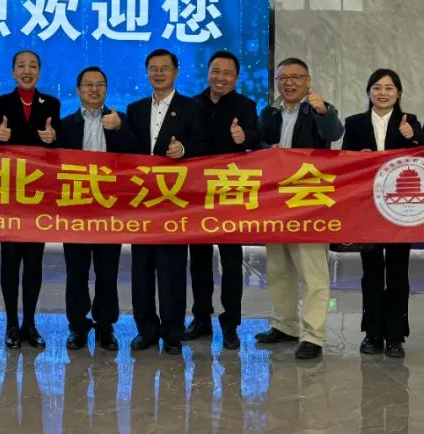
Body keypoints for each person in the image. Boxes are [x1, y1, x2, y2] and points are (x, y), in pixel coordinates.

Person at [255, 57, 344, 360]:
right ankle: (285, 325)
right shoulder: (269, 113)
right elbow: (259, 145)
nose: (289, 83)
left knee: (312, 271)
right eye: (283, 78)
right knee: (278, 268)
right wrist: (267, 150)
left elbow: (333, 133)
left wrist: (323, 111)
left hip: (308, 201)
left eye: (295, 77)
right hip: (275, 203)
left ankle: (314, 335)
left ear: (308, 81)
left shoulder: (319, 109)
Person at [342, 68, 424, 358]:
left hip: (399, 208)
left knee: (397, 271)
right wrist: (358, 158)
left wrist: (413, 136)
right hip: (367, 207)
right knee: (370, 272)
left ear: (398, 93)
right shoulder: (354, 123)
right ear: (369, 92)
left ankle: (395, 336)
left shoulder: (409, 121)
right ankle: (372, 333)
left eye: (389, 88)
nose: (383, 93)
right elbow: (344, 162)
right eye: (377, 87)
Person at [125, 48, 206, 355]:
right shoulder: (134, 109)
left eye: (165, 68)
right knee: (141, 270)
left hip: (174, 202)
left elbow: (204, 145)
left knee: (172, 271)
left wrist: (185, 150)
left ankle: (172, 333)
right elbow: (128, 150)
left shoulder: (192, 107)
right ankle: (146, 330)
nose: (158, 73)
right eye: (153, 68)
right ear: (147, 72)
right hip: (142, 201)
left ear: (176, 72)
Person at [56, 66, 136, 352]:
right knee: (76, 273)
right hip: (75, 210)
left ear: (106, 89)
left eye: (99, 84)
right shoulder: (65, 125)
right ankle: (77, 327)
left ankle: (105, 327)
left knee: (107, 272)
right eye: (88, 84)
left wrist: (120, 129)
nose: (94, 89)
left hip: (109, 210)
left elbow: (136, 155)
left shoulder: (119, 119)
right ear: (78, 90)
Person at [186, 49, 259, 350]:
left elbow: (256, 139)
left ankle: (230, 325)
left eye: (227, 73)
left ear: (236, 77)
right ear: (207, 73)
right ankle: (201, 319)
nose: (220, 78)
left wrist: (244, 138)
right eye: (216, 71)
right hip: (198, 194)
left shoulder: (246, 105)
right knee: (199, 262)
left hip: (230, 191)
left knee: (231, 263)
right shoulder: (191, 105)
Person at [0, 49, 61, 350]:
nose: (27, 70)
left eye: (32, 66)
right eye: (21, 66)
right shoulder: (0, 104)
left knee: (34, 262)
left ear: (39, 72)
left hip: (37, 195)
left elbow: (59, 144)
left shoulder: (52, 104)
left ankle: (30, 324)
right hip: (9, 194)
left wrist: (53, 139)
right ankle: (11, 324)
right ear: (13, 72)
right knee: (9, 260)